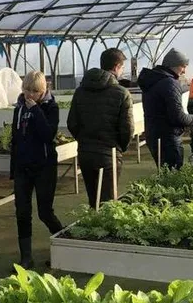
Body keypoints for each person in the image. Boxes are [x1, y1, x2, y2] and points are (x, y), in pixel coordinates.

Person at [67, 48, 134, 207]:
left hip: (85, 153)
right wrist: (119, 147)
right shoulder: (122, 93)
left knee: (93, 200)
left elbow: (72, 123)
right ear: (117, 66)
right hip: (109, 154)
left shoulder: (80, 91)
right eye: (122, 67)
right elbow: (127, 129)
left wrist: (84, 140)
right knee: (109, 203)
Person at [10, 70, 63, 268]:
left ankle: (65, 242)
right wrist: (13, 169)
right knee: (22, 212)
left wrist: (36, 111)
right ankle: (26, 257)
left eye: (34, 91)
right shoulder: (19, 108)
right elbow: (15, 139)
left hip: (44, 167)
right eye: (26, 90)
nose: (29, 95)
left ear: (43, 91)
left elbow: (48, 134)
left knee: (45, 212)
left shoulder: (51, 108)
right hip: (23, 168)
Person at [137, 49, 193, 169]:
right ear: (174, 65)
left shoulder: (153, 80)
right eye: (183, 66)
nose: (184, 71)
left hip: (153, 134)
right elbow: (177, 116)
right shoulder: (169, 83)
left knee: (164, 172)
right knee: (173, 176)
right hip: (168, 137)